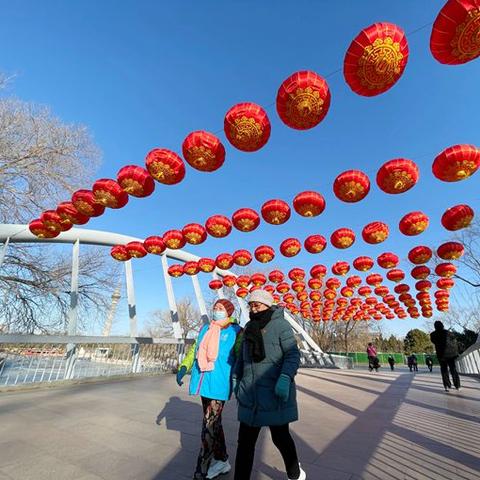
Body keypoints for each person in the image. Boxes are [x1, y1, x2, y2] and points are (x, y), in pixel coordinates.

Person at [233, 289, 305, 480]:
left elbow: (292, 354)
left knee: (280, 438)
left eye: (257, 305)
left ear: (267, 305)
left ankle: (295, 473)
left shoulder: (281, 325)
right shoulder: (248, 327)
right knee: (245, 444)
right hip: (250, 393)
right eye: (251, 306)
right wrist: (236, 379)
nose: (254, 310)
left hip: (274, 393)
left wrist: (285, 378)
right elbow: (242, 357)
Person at [176, 299, 242, 479]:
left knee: (209, 426)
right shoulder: (206, 328)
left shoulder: (236, 331)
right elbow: (195, 351)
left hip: (219, 384)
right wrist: (184, 367)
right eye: (215, 308)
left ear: (228, 312)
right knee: (214, 423)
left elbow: (240, 357)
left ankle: (201, 469)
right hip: (202, 381)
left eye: (220, 308)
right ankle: (222, 460)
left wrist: (238, 380)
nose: (216, 311)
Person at [430, 320, 461, 392]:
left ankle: (447, 385)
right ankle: (457, 385)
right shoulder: (448, 333)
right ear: (442, 325)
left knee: (444, 370)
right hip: (451, 355)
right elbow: (454, 340)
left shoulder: (433, 334)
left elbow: (434, 342)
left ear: (435, 327)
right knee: (453, 370)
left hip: (441, 355)